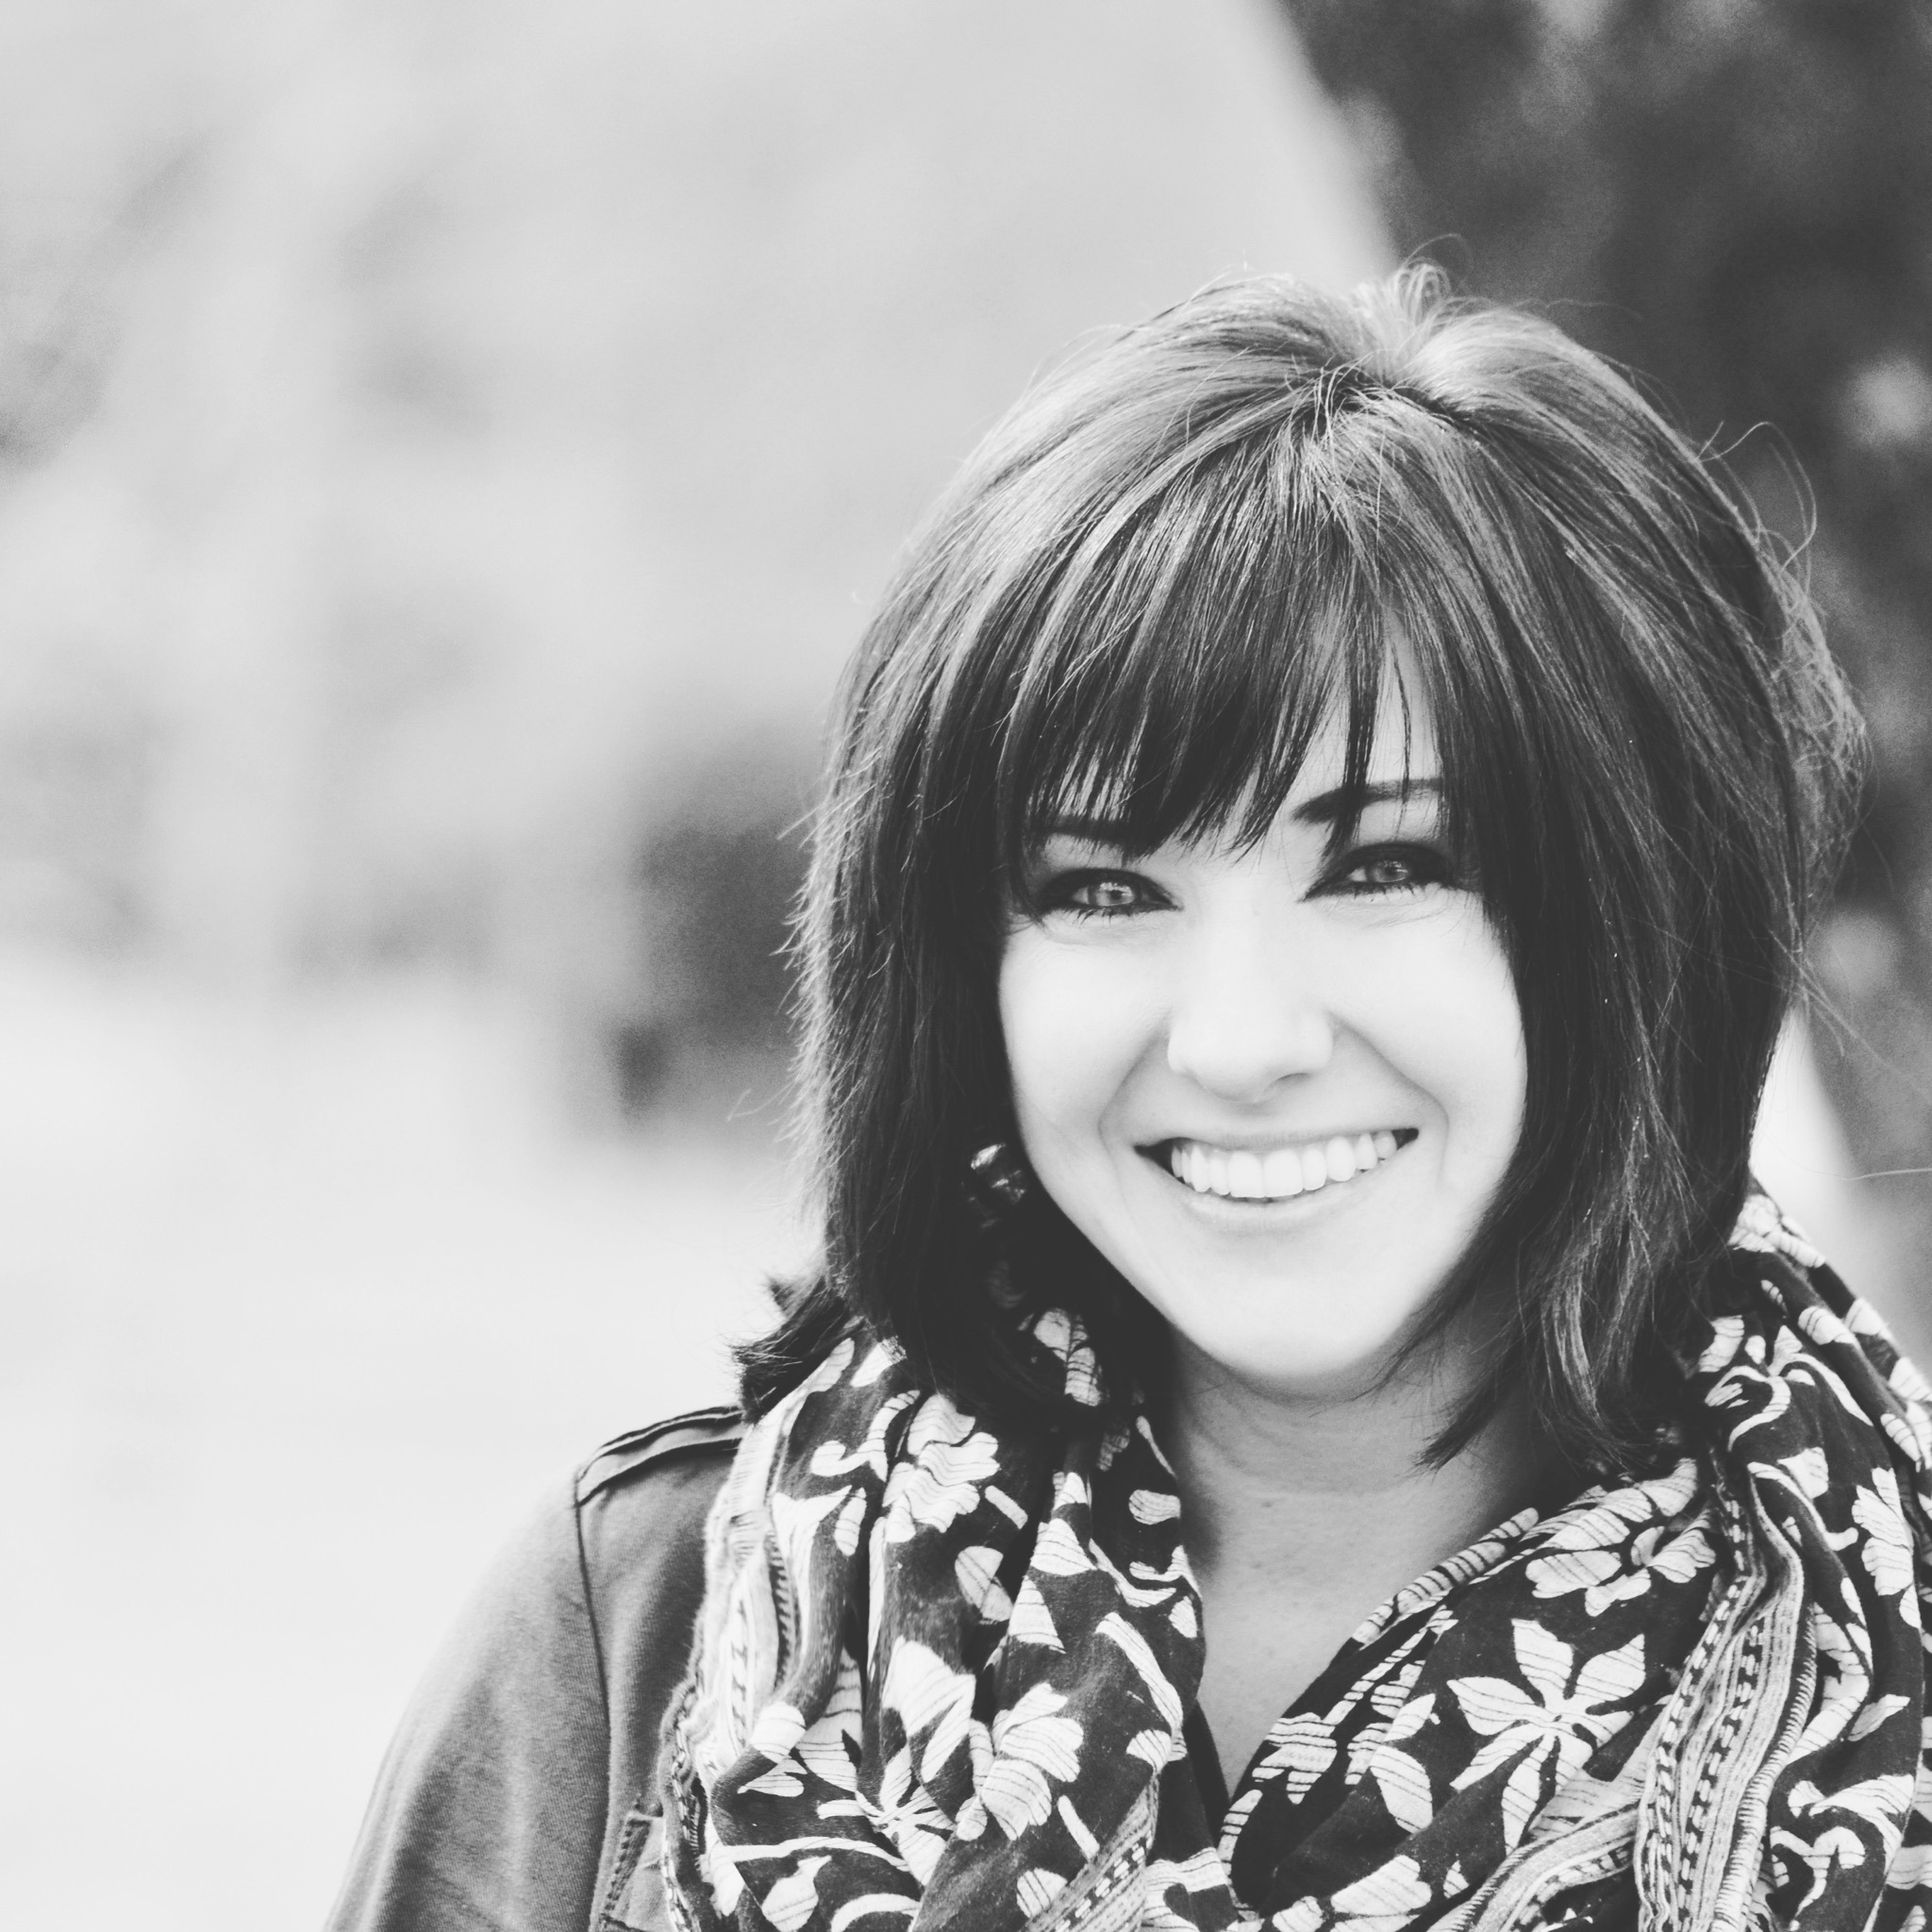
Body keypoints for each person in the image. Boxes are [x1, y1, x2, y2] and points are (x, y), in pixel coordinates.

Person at [326, 270, 1932, 1932]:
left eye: (1385, 867)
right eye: (1103, 890)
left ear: (1642, 919)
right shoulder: (637, 1632)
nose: (1236, 1041)